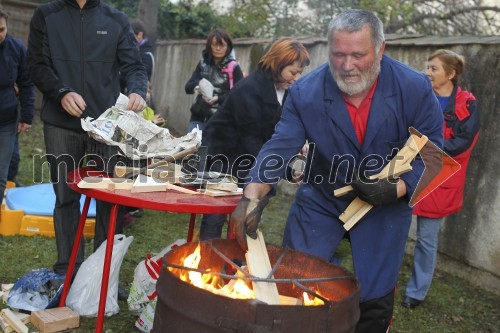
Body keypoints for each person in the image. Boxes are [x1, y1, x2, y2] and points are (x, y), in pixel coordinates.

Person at [230, 9, 443, 333]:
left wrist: (397, 189)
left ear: (381, 49)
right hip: (321, 199)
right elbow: (280, 145)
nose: (347, 65)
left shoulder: (413, 88)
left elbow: (435, 156)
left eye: (358, 54)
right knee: (293, 282)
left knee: (373, 301)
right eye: (338, 55)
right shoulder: (306, 92)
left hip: (383, 208)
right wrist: (252, 195)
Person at [27, 0, 147, 290]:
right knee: (65, 198)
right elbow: (36, 65)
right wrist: (60, 92)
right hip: (60, 124)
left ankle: (102, 275)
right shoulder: (46, 15)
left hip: (105, 128)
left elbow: (135, 67)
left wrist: (137, 90)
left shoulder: (116, 19)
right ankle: (67, 273)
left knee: (108, 200)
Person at [200, 38, 310, 240]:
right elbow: (254, 140)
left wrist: (295, 155)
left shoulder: (286, 91)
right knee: (216, 216)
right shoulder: (250, 89)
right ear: (277, 64)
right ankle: (208, 263)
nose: (297, 78)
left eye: (300, 72)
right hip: (222, 155)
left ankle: (236, 262)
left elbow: (279, 133)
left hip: (248, 156)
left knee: (247, 213)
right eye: (292, 72)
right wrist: (280, 172)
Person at [401, 49, 480, 309]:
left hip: (440, 180)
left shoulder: (466, 104)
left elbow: (462, 143)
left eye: (434, 68)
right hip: (409, 173)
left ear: (451, 73)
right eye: (428, 67)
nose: (428, 72)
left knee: (426, 239)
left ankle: (416, 292)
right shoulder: (421, 96)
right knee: (394, 229)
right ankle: (382, 280)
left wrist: (426, 145)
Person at [0, 9, 34, 206]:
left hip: (6, 119)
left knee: (1, 174)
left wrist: (27, 116)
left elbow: (27, 83)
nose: (0, 34)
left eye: (2, 29)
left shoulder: (16, 48)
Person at [184, 28, 243, 132]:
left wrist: (218, 98)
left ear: (228, 47)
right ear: (209, 46)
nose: (218, 48)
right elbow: (188, 87)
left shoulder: (234, 67)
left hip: (221, 120)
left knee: (212, 148)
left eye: (222, 45)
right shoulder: (203, 63)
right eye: (215, 44)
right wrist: (199, 88)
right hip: (199, 115)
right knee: (193, 147)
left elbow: (239, 96)